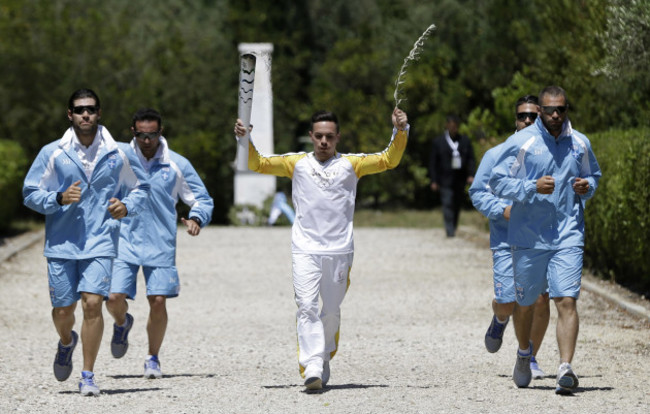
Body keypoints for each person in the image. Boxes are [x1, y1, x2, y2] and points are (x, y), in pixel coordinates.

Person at [234, 108, 409, 390]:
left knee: (330, 310)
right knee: (306, 306)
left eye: (329, 136)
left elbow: (389, 160)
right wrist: (246, 140)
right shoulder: (296, 163)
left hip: (339, 250)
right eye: (319, 136)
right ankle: (312, 364)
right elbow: (260, 164)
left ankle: (325, 354)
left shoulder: (352, 164)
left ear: (338, 137)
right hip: (305, 248)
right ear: (311, 137)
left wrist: (400, 131)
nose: (324, 142)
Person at [22, 89, 150, 396]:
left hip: (101, 240)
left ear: (99, 112)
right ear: (70, 115)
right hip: (62, 244)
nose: (85, 114)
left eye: (91, 109)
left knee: (93, 303)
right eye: (79, 110)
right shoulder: (52, 152)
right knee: (63, 311)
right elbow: (29, 192)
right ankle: (66, 342)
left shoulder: (119, 152)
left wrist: (127, 206)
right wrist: (58, 198)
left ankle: (88, 375)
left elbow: (142, 188)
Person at [488, 86, 601, 394]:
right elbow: (497, 180)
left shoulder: (580, 143)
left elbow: (594, 177)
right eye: (550, 110)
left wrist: (585, 186)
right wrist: (531, 187)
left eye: (561, 110)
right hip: (528, 238)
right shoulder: (521, 142)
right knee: (525, 304)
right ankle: (524, 353)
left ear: (566, 110)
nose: (555, 115)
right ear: (540, 111)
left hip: (568, 234)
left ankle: (565, 367)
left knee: (566, 300)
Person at [106, 108, 213, 379]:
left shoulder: (176, 164)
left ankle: (152, 357)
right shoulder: (118, 160)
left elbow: (201, 198)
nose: (146, 140)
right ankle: (122, 322)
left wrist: (197, 218)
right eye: (141, 134)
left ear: (160, 132)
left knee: (157, 300)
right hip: (124, 239)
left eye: (152, 134)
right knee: (113, 297)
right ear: (133, 132)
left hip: (160, 242)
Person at [469, 95, 550, 380]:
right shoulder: (496, 154)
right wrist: (501, 210)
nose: (527, 121)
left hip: (541, 241)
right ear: (515, 120)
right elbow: (477, 192)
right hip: (506, 241)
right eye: (522, 117)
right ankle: (500, 318)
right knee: (508, 301)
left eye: (532, 116)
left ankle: (530, 357)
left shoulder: (551, 153)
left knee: (540, 300)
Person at [428, 115, 476, 237]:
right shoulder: (438, 142)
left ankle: (453, 226)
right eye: (451, 126)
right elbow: (433, 163)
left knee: (456, 204)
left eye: (456, 126)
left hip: (460, 179)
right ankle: (449, 231)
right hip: (444, 180)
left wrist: (471, 174)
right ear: (447, 126)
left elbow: (471, 159)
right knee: (447, 203)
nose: (454, 129)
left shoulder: (464, 141)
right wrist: (434, 180)